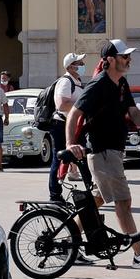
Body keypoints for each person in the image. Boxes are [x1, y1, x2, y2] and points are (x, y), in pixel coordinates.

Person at [65, 40, 140, 267]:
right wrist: (71, 143)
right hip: (102, 151)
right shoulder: (99, 85)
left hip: (114, 151)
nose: (129, 60)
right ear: (110, 60)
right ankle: (139, 252)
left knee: (97, 200)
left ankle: (68, 246)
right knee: (123, 201)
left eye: (129, 56)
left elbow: (133, 110)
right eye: (124, 56)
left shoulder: (120, 83)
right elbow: (74, 114)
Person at [40, 52, 86, 204]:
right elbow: (61, 104)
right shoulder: (66, 82)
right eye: (79, 63)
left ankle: (88, 192)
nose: (82, 65)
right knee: (59, 159)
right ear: (70, 67)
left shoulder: (76, 81)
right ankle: (55, 195)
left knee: (80, 157)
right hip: (61, 125)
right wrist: (82, 108)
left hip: (72, 125)